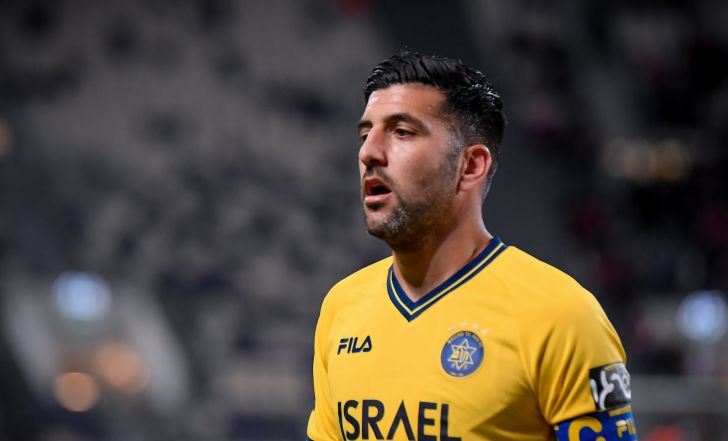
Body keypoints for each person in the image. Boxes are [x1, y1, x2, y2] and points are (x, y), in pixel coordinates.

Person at [306, 51, 637, 441]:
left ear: (471, 166)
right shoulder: (341, 308)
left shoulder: (563, 316)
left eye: (402, 132)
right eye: (365, 135)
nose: (368, 153)